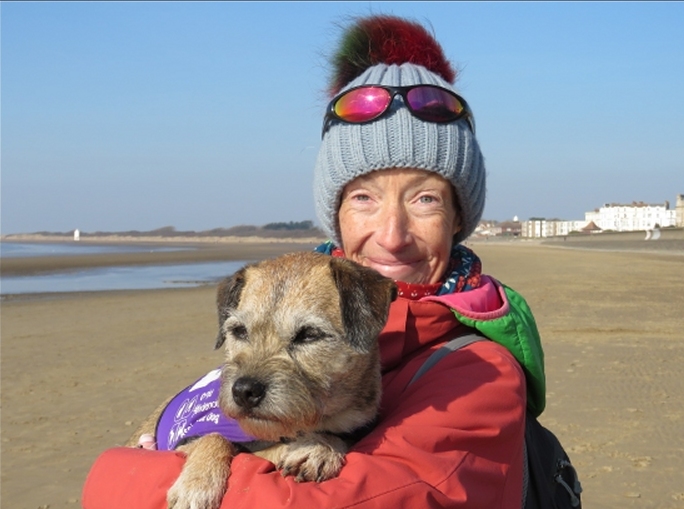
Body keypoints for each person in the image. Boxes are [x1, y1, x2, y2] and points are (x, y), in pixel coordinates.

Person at [82, 14, 545, 508]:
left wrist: (115, 473)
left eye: (425, 199)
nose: (390, 235)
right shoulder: (300, 291)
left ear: (458, 217)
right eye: (364, 198)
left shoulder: (480, 372)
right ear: (336, 215)